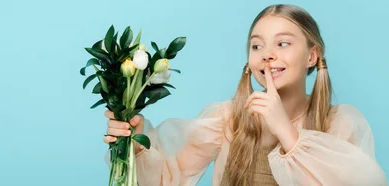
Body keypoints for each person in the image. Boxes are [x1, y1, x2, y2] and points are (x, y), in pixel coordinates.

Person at [103, 4, 387, 186]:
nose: (268, 55)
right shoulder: (228, 119)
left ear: (312, 55)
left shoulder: (342, 123)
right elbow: (165, 175)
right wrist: (136, 140)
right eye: (257, 46)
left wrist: (287, 133)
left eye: (283, 43)